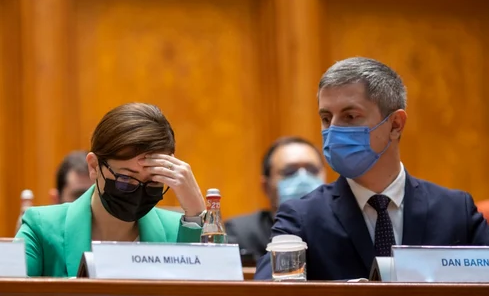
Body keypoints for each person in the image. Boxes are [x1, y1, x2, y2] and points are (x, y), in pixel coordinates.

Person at [254, 57, 489, 280]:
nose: (333, 131)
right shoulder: (301, 217)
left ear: (395, 124)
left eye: (350, 117)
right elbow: (268, 292)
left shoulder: (455, 210)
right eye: (327, 119)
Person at [16, 103, 206, 277]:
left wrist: (196, 212)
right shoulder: (40, 228)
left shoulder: (179, 231)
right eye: (126, 178)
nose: (138, 189)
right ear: (94, 167)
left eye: (153, 181)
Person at [225, 137, 325, 264]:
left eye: (312, 170)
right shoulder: (241, 233)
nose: (303, 179)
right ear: (266, 186)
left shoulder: (341, 228)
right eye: (289, 172)